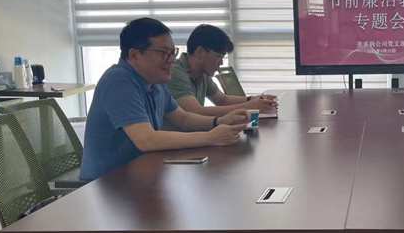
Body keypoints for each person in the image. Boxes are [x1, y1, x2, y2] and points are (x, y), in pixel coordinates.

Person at [80, 18, 248, 181]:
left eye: (172, 52)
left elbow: (183, 118)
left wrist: (219, 122)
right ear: (134, 55)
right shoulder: (118, 81)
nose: (171, 60)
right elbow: (146, 139)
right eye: (163, 53)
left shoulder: (155, 82)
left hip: (142, 172)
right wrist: (211, 137)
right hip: (106, 183)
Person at [166, 24, 277, 126]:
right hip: (180, 138)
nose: (221, 62)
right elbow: (196, 112)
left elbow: (222, 100)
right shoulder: (174, 72)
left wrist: (253, 99)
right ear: (200, 52)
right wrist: (250, 106)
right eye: (218, 56)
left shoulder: (202, 73)